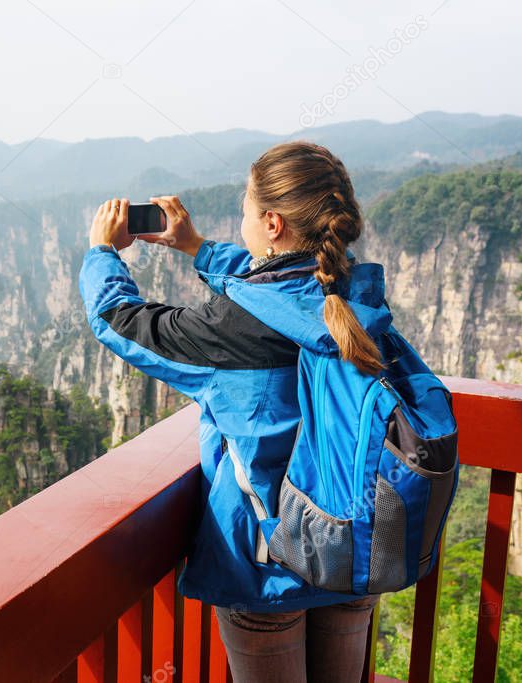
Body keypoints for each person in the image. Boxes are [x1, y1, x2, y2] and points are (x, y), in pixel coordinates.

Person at [77, 141, 389, 682]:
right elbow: (277, 283)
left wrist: (102, 253)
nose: (240, 218)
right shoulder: (353, 296)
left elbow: (121, 321)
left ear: (271, 222)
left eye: (245, 208)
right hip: (352, 549)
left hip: (270, 563)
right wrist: (195, 246)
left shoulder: (228, 332)